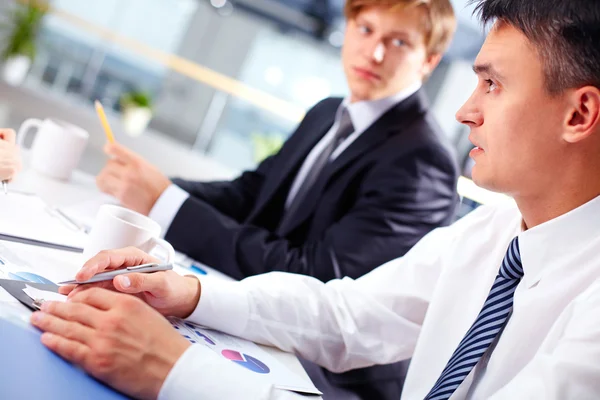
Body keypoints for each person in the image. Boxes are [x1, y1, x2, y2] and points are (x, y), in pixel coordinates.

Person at [31, 0, 600, 398]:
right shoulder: (493, 231)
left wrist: (177, 374)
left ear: (579, 114)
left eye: (493, 85)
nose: (464, 110)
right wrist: (188, 293)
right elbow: (347, 314)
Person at [94, 1, 458, 397]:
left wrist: (166, 203)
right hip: (263, 326)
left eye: (399, 42)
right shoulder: (328, 111)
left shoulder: (423, 161)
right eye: (366, 29)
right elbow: (250, 194)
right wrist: (157, 189)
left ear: (429, 61)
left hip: (326, 374)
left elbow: (317, 275)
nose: (374, 53)